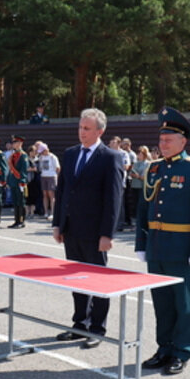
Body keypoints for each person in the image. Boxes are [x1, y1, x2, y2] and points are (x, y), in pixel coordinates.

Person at [135, 107, 190, 375]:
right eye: (161, 139)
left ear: (183, 141)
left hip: (182, 246)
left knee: (183, 302)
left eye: (168, 140)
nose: (163, 144)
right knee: (161, 301)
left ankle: (181, 351)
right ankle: (164, 348)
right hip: (157, 244)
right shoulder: (154, 168)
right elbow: (143, 209)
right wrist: (141, 243)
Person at [52, 108, 123, 349]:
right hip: (71, 229)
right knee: (76, 279)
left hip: (95, 232)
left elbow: (113, 199)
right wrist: (57, 224)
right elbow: (62, 191)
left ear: (100, 131)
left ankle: (98, 328)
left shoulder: (110, 157)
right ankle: (80, 323)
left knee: (98, 280)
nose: (82, 132)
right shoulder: (71, 154)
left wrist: (107, 234)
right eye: (80, 127)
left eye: (87, 128)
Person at [7, 135, 29, 228]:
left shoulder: (23, 155)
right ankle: (16, 220)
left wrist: (22, 181)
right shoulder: (13, 155)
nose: (13, 144)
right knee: (15, 202)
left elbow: (24, 170)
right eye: (13, 143)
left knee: (21, 202)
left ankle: (21, 221)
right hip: (13, 181)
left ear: (20, 143)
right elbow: (10, 170)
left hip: (20, 181)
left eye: (15, 142)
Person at [37, 142, 59, 220]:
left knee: (51, 194)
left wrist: (56, 177)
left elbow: (57, 168)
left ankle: (52, 213)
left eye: (43, 151)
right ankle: (46, 212)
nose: (42, 153)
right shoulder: (41, 157)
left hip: (51, 176)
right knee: (44, 194)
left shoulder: (53, 157)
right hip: (43, 176)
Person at [25, 144, 41, 218]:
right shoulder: (26, 159)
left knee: (34, 196)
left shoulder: (38, 160)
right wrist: (31, 169)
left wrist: (34, 169)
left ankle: (32, 212)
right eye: (31, 151)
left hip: (35, 180)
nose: (33, 153)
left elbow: (39, 169)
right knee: (27, 197)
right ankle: (27, 212)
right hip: (27, 180)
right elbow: (24, 169)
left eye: (34, 151)